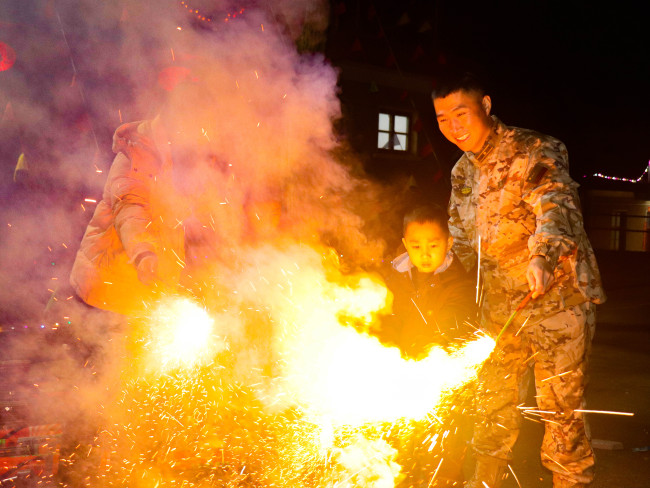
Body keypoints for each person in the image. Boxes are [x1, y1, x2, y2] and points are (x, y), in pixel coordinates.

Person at [432, 71, 606, 488]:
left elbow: (555, 203)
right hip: (499, 312)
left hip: (556, 304)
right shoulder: (462, 173)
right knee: (492, 407)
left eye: (461, 113)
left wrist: (542, 256)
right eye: (441, 118)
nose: (453, 127)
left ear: (486, 106)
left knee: (559, 413)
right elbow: (459, 242)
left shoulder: (535, 150)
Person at [379, 204, 477, 488]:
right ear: (404, 244)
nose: (424, 253)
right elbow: (385, 318)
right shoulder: (394, 277)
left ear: (449, 243)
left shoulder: (457, 281)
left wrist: (429, 355)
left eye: (433, 245)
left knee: (442, 445)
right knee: (399, 446)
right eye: (416, 245)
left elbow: (452, 325)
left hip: (441, 377)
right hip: (399, 371)